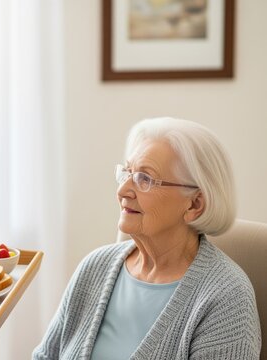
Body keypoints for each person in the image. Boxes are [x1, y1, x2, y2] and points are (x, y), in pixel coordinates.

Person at [33, 117, 262, 359]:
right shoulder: (94, 267)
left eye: (145, 179)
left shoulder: (227, 298)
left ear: (194, 204)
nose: (122, 191)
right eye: (127, 172)